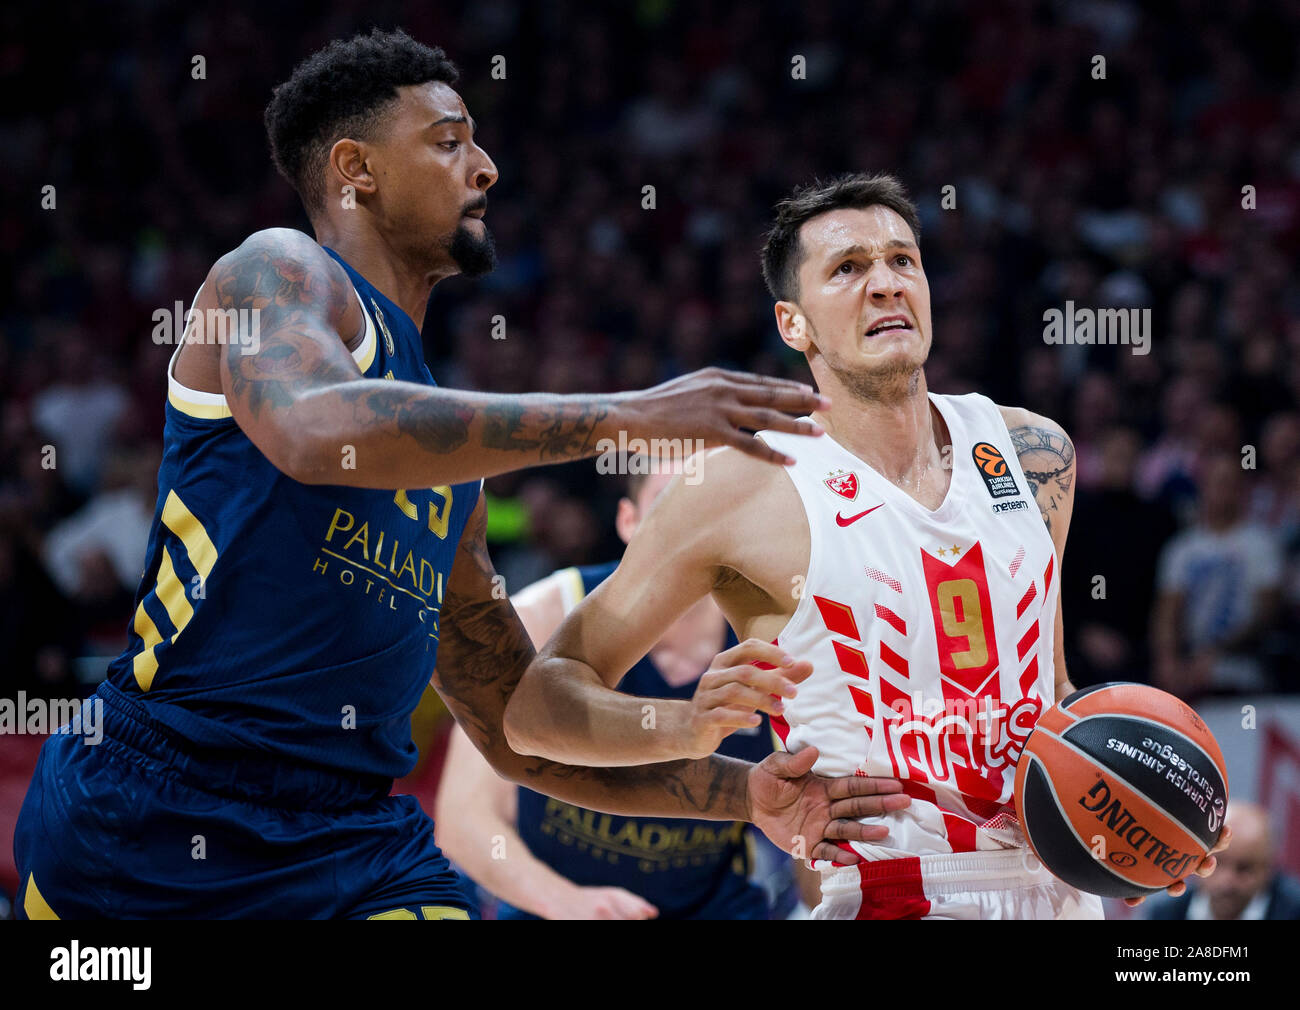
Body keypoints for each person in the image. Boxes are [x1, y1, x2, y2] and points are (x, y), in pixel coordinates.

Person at [11, 31, 903, 920]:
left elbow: (520, 729)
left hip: (346, 840)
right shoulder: (273, 271)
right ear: (355, 167)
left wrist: (744, 789)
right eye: (448, 141)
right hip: (153, 812)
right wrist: (627, 415)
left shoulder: (447, 468)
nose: (486, 169)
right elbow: (315, 428)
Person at [504, 172, 1228, 920]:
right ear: (794, 324)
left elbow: (1048, 691)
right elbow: (536, 708)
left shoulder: (1034, 451)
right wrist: (686, 730)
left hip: (1057, 893)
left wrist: (1152, 815)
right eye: (848, 269)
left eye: (901, 261)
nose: (884, 284)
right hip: (891, 893)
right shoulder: (736, 487)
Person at [438, 465, 798, 919]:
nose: (702, 527)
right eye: (677, 507)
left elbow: (813, 832)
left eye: (720, 510)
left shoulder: (786, 639)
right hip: (551, 903)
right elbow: (463, 820)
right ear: (628, 521)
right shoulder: (544, 613)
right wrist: (567, 904)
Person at [1144, 803, 1300, 920]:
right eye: (1216, 864)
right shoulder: (1164, 914)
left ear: (1268, 868)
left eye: (1244, 868)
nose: (1227, 882)